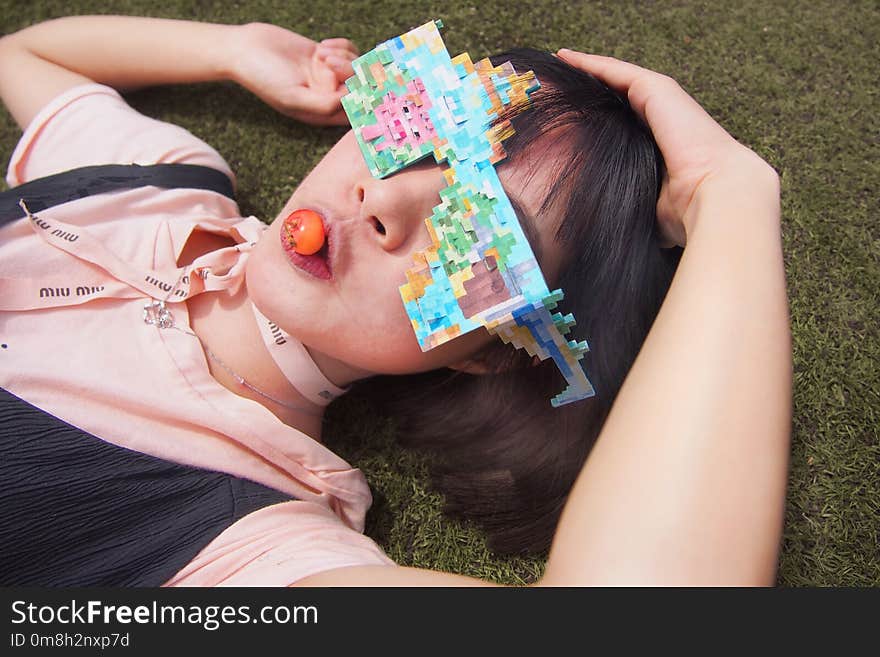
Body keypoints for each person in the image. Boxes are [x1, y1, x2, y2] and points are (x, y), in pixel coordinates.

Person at [0, 15, 791, 586]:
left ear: (489, 351)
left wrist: (732, 200)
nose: (384, 198)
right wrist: (234, 48)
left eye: (485, 229)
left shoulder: (254, 544)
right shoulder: (160, 177)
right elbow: (23, 51)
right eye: (415, 127)